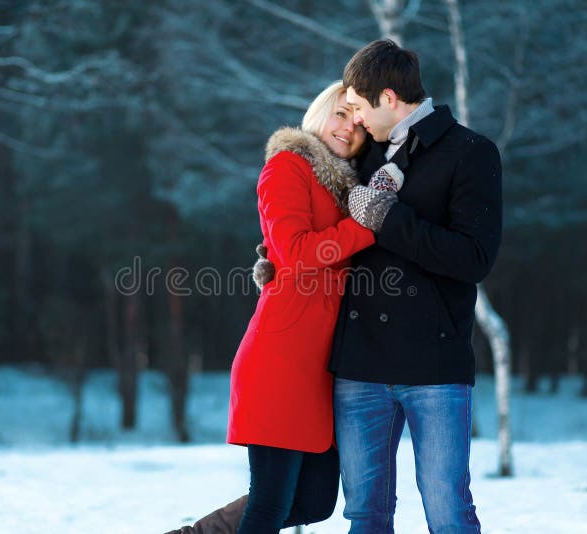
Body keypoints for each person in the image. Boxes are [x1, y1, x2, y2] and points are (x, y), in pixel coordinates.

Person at [256, 39, 502, 533]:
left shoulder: (470, 152)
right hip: (359, 368)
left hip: (434, 365)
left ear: (388, 98)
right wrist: (279, 265)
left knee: (448, 510)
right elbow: (313, 231)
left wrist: (391, 221)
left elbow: (474, 258)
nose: (356, 121)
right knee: (365, 513)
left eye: (361, 108)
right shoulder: (358, 157)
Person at [165, 80, 376, 534]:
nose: (348, 128)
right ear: (319, 112)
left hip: (322, 369)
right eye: (340, 113)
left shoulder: (343, 186)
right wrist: (367, 228)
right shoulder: (288, 166)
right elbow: (297, 253)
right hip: (282, 359)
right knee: (270, 503)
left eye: (359, 123)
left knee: (315, 503)